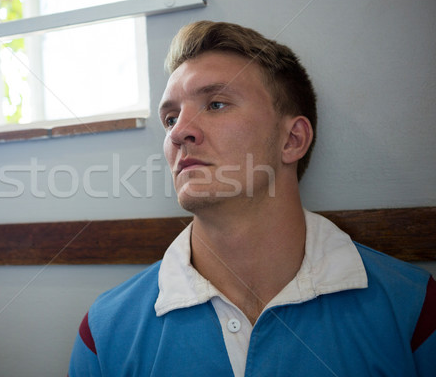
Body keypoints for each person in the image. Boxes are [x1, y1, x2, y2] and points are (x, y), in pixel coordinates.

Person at [67, 21, 435, 376]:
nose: (179, 132)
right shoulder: (104, 333)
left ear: (292, 140)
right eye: (170, 119)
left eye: (216, 104)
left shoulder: (414, 314)